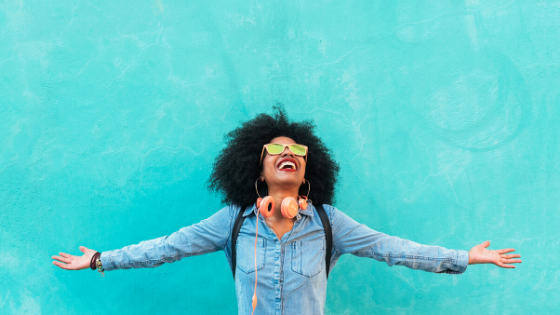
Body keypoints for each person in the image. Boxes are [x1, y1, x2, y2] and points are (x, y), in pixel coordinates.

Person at [52, 106, 521, 314]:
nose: (287, 150)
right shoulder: (232, 223)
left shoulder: (331, 224)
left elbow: (393, 248)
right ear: (257, 170)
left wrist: (465, 256)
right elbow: (166, 248)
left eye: (296, 147)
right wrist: (99, 259)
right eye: (275, 147)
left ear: (305, 168)